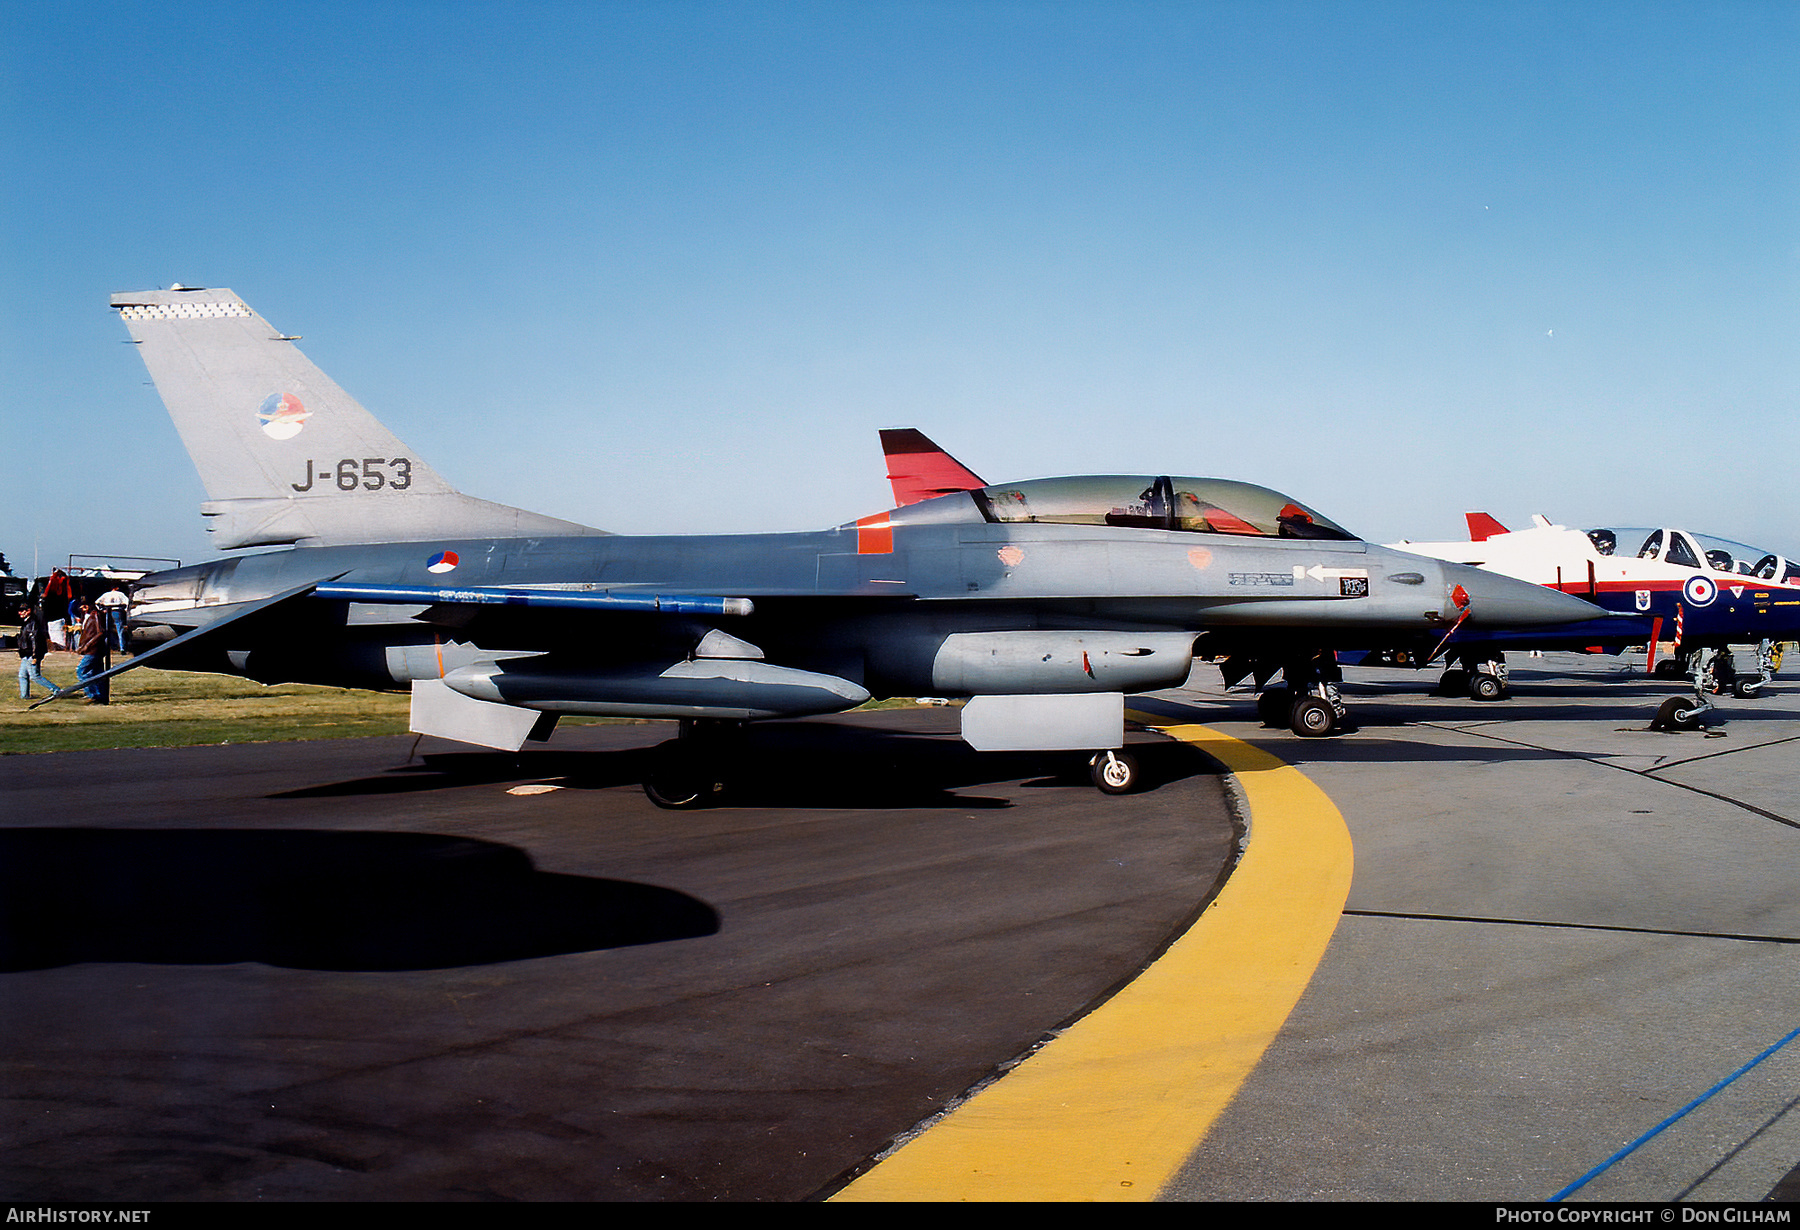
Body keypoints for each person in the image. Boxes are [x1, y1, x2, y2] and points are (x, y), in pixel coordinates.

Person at [15, 604, 60, 700]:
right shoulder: (25, 623)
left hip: (32, 653)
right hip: (25, 654)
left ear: (28, 611)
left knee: (35, 676)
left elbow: (35, 640)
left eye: (22, 610)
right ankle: (24, 696)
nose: (19, 613)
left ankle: (57, 690)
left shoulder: (33, 623)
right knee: (22, 675)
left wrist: (35, 656)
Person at [74, 597, 109, 704]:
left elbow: (100, 632)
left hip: (93, 650)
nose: (82, 608)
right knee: (97, 673)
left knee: (81, 671)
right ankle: (101, 696)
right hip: (93, 649)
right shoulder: (87, 616)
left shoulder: (95, 615)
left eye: (85, 606)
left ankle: (93, 695)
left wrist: (87, 646)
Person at [96, 585, 130, 652]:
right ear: (117, 588)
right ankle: (122, 647)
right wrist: (125, 610)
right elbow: (127, 602)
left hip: (108, 610)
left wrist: (102, 609)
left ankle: (109, 646)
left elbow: (97, 602)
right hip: (117, 610)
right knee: (119, 629)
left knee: (108, 629)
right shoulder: (120, 594)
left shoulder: (106, 594)